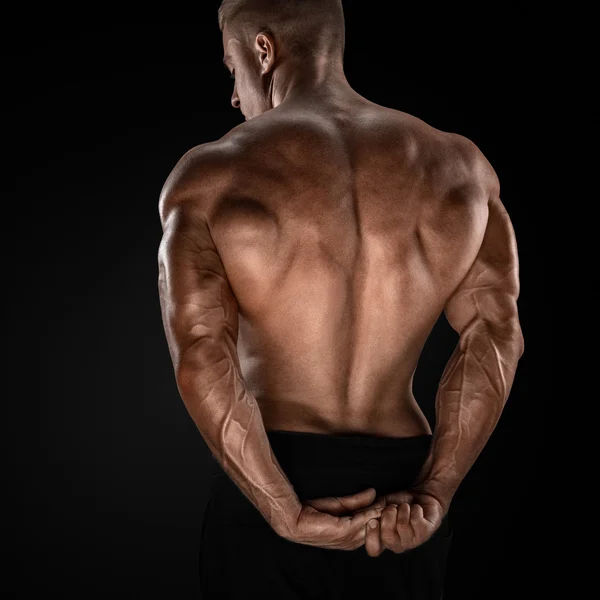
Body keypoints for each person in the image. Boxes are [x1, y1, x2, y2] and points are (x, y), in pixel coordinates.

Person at [157, 1, 525, 598]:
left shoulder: (213, 173)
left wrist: (282, 510)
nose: (233, 97)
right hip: (400, 497)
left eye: (231, 70)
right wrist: (435, 491)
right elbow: (496, 334)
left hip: (267, 474)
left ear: (263, 50)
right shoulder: (460, 167)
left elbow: (202, 353)